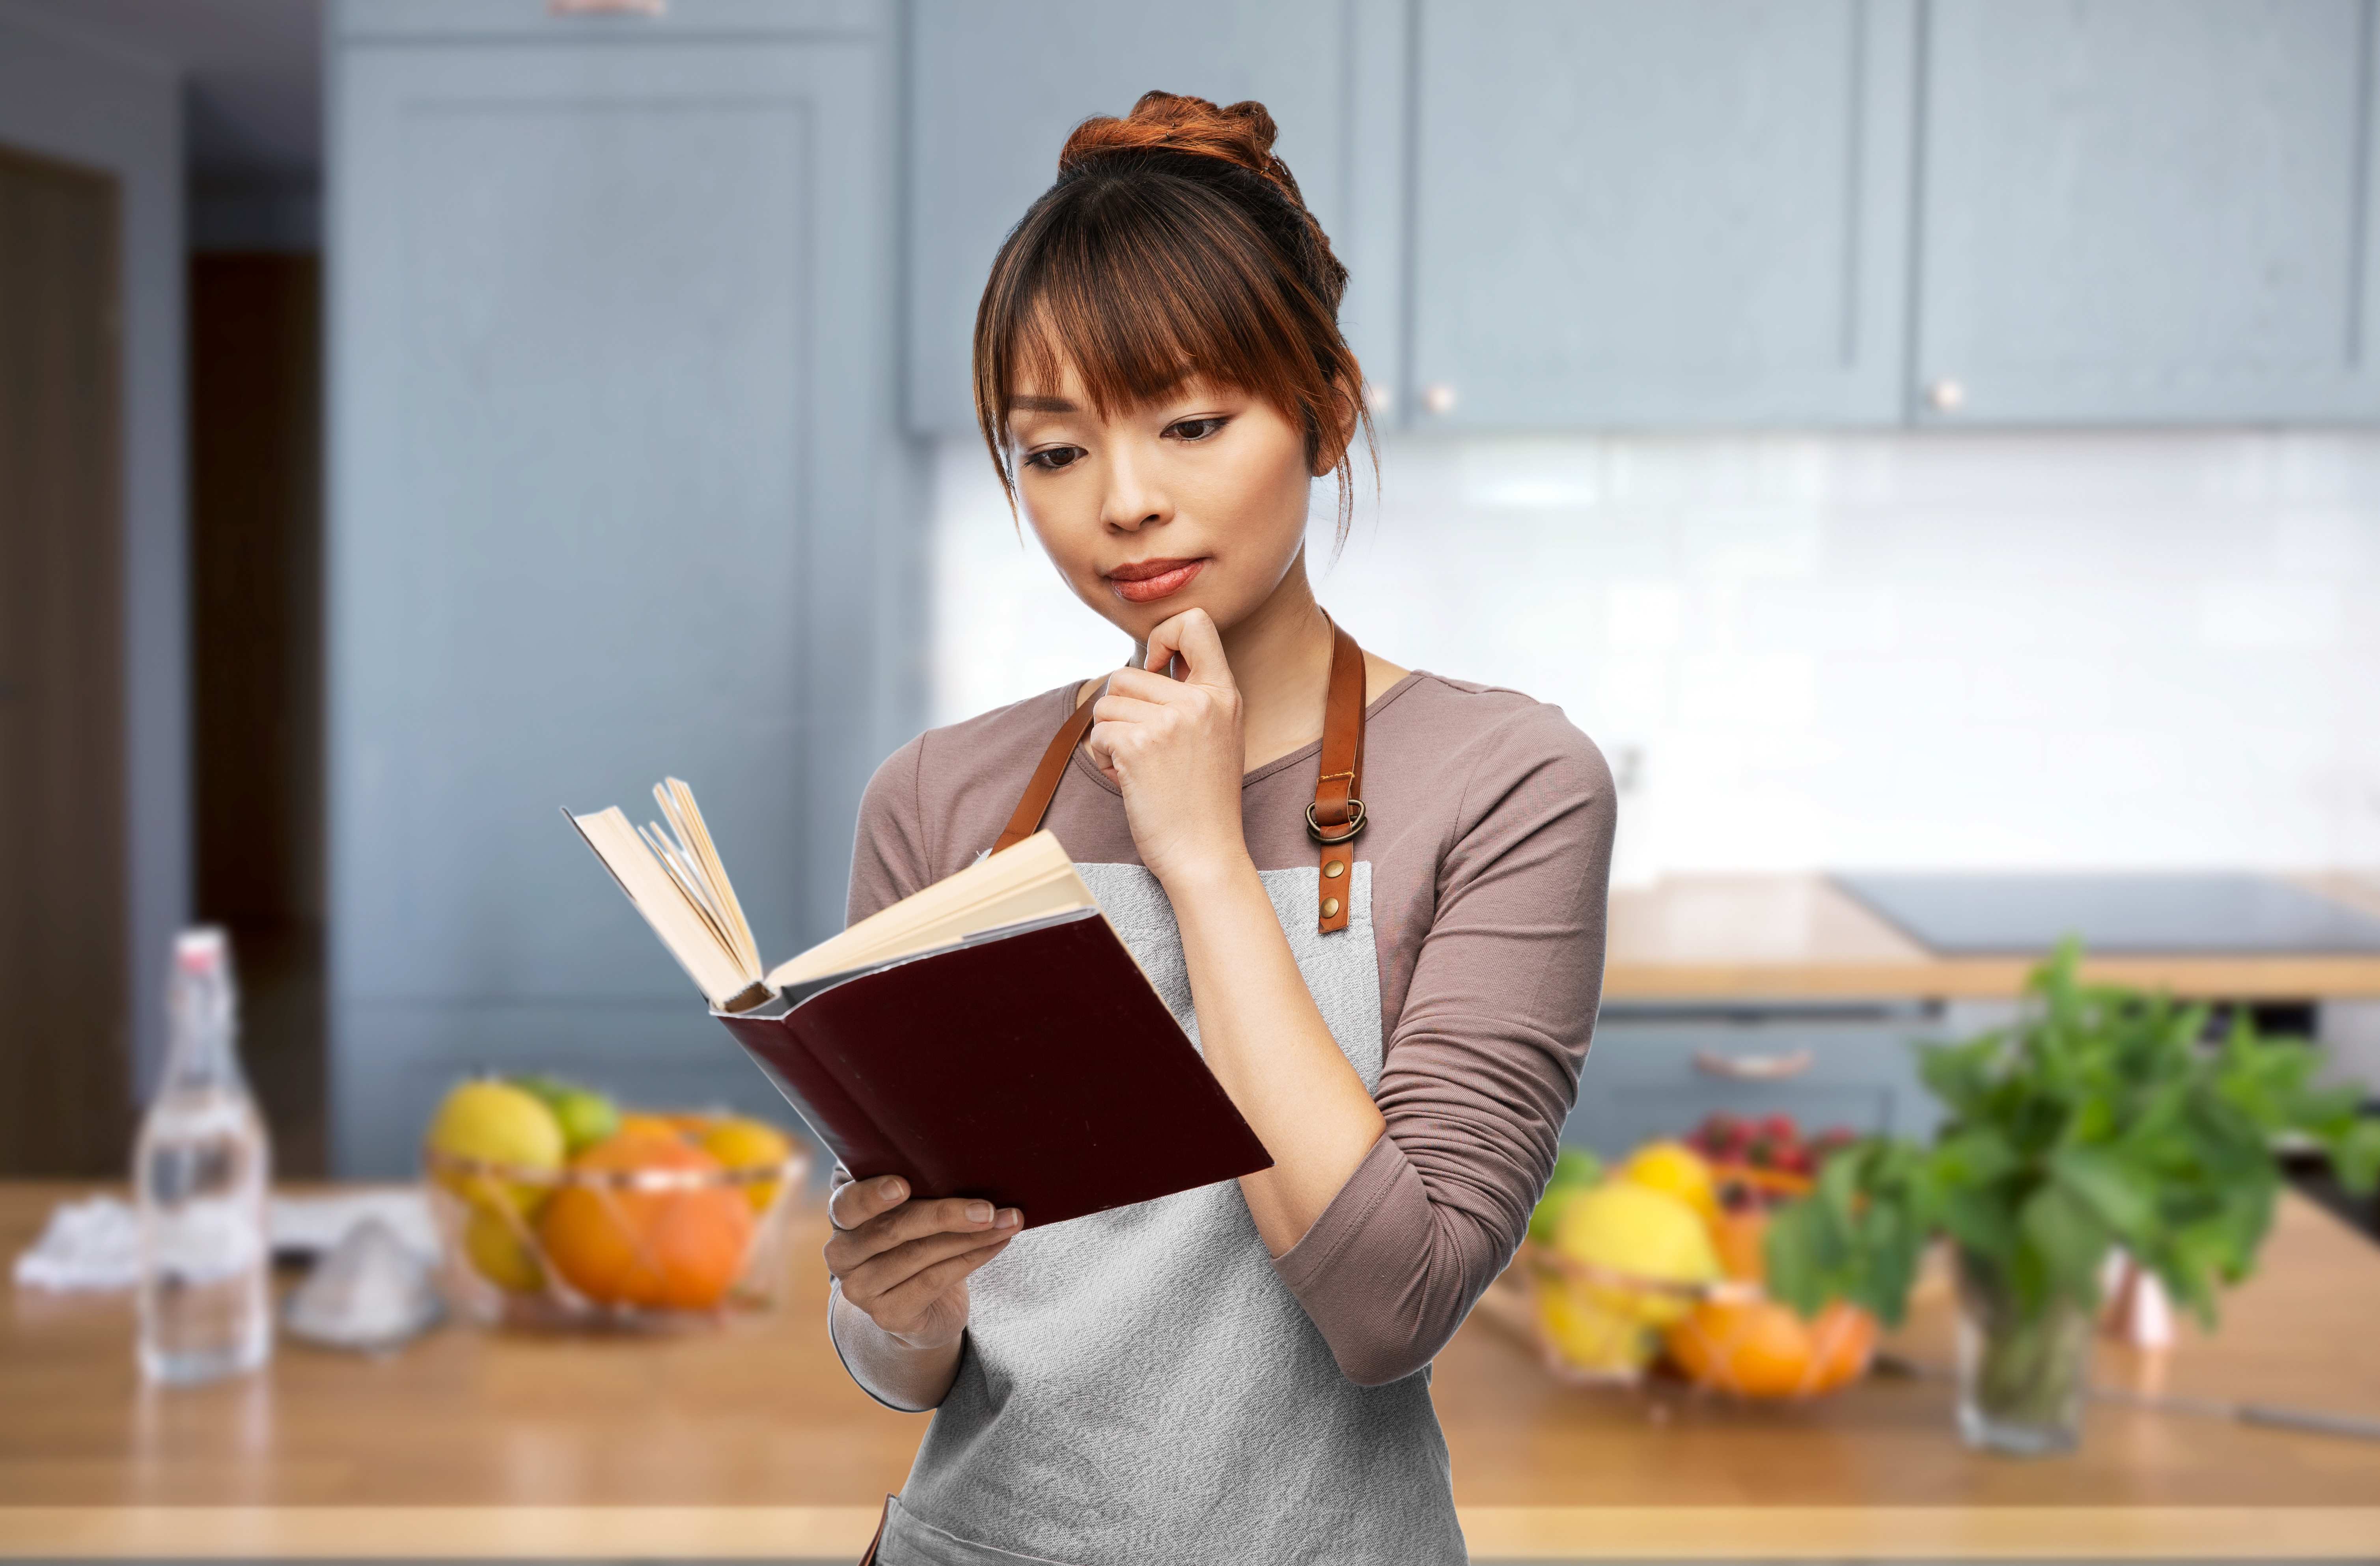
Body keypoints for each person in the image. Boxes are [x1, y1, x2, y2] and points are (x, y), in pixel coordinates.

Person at [822, 91, 1615, 1565]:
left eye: (1191, 423)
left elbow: (1389, 1306)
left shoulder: (1509, 782)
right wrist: (895, 1297)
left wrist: (1199, 850)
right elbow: (902, 1367)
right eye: (1052, 452)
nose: (1124, 502)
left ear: (1324, 410)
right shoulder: (935, 798)